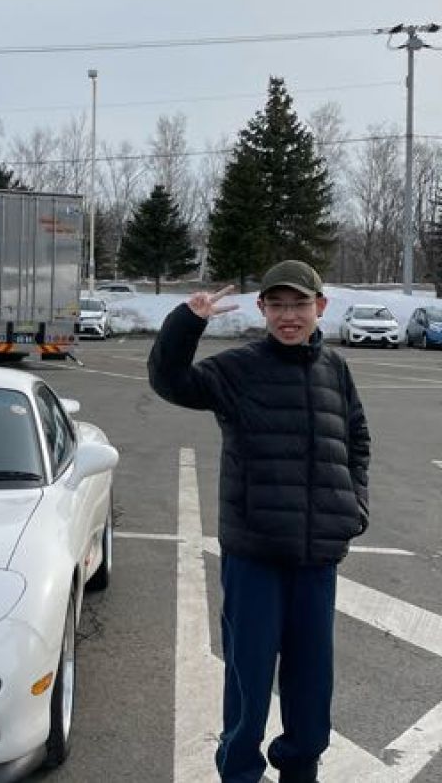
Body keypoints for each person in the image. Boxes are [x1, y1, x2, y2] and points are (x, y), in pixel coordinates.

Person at [147, 260, 371, 783]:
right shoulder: (239, 369)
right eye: (278, 305)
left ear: (320, 306)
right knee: (248, 681)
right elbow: (171, 381)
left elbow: (357, 438)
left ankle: (301, 769)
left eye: (299, 304)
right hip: (256, 556)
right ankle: (240, 772)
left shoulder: (335, 369)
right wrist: (187, 321)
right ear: (262, 309)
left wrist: (354, 505)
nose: (289, 316)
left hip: (316, 558)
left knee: (311, 683)